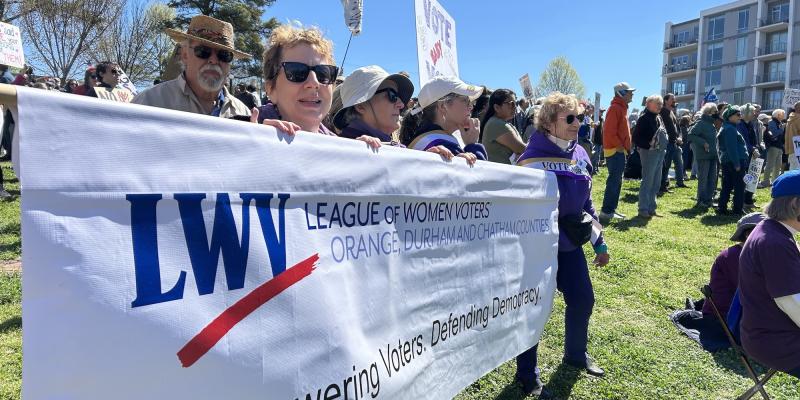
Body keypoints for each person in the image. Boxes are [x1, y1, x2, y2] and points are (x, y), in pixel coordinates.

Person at [515, 92, 610, 396]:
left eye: (580, 118)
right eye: (569, 118)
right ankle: (527, 372)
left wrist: (599, 242)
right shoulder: (531, 157)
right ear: (548, 122)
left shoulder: (580, 153)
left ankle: (575, 354)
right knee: (534, 309)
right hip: (537, 247)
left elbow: (588, 202)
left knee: (583, 299)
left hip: (570, 245)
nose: (577, 123)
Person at [739, 170, 800, 378]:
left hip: (772, 332)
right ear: (794, 205)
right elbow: (793, 303)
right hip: (776, 341)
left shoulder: (772, 229)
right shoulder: (775, 243)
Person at [132, 15, 251, 118]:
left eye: (224, 54)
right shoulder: (148, 102)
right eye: (204, 51)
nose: (214, 60)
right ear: (184, 55)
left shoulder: (244, 114)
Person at [332, 65, 454, 157]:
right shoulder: (339, 152)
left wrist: (428, 161)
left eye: (399, 97)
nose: (401, 104)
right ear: (361, 105)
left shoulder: (390, 147)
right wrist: (351, 153)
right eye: (392, 96)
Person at [255, 24, 340, 135]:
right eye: (297, 72)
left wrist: (364, 149)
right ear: (271, 89)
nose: (314, 83)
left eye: (323, 73)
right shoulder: (240, 135)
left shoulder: (344, 148)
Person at [399, 76, 486, 165]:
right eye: (465, 101)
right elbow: (481, 176)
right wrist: (472, 144)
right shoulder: (442, 143)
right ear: (443, 106)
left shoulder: (427, 137)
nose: (471, 107)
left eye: (471, 103)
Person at [701, 212, 765, 318]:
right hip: (725, 317)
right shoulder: (733, 256)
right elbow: (754, 292)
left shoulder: (757, 254)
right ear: (748, 234)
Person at [599, 82, 635, 223]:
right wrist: (619, 146)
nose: (632, 94)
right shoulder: (615, 108)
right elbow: (609, 131)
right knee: (614, 181)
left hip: (619, 151)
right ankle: (606, 211)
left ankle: (610, 210)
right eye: (629, 92)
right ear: (621, 93)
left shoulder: (621, 108)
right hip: (615, 151)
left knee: (616, 181)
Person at [633, 95, 668, 218]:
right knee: (648, 181)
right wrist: (648, 146)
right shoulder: (643, 118)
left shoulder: (658, 117)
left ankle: (652, 208)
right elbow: (636, 138)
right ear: (648, 104)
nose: (660, 105)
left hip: (659, 152)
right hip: (648, 153)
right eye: (657, 103)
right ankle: (643, 209)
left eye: (661, 103)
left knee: (656, 181)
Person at [480, 89, 526, 164]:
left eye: (516, 103)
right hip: (502, 174)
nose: (515, 107)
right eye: (511, 104)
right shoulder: (496, 124)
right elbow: (522, 149)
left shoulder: (497, 122)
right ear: (497, 107)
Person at [717, 106, 749, 215]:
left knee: (727, 185)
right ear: (730, 117)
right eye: (738, 115)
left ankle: (722, 208)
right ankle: (737, 209)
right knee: (739, 186)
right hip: (735, 161)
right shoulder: (730, 129)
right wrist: (736, 163)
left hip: (729, 161)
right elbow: (732, 147)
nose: (740, 117)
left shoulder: (728, 127)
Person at [688, 103, 720, 209]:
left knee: (712, 178)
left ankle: (708, 199)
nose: (717, 113)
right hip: (703, 155)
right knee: (703, 178)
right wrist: (703, 142)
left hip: (713, 155)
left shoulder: (711, 124)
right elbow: (691, 135)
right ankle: (701, 200)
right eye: (715, 111)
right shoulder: (701, 123)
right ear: (708, 112)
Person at [659, 93, 685, 193]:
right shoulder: (662, 112)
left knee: (668, 165)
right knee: (665, 165)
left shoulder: (671, 112)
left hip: (673, 142)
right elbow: (665, 129)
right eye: (672, 99)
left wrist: (679, 137)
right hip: (667, 143)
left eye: (674, 99)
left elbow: (676, 127)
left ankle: (664, 185)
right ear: (666, 100)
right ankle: (662, 185)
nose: (674, 101)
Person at [737, 104, 761, 209]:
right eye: (752, 112)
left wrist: (756, 148)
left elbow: (754, 139)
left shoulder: (751, 124)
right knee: (745, 178)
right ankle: (741, 200)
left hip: (753, 154)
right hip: (744, 154)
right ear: (746, 113)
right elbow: (743, 141)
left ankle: (748, 200)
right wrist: (753, 149)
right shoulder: (739, 125)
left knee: (753, 176)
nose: (754, 114)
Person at [762, 109, 786, 187]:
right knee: (770, 164)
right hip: (773, 146)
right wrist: (782, 128)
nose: (784, 116)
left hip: (779, 146)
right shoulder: (771, 122)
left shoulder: (779, 123)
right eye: (782, 114)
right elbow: (774, 133)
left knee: (778, 165)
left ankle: (775, 181)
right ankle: (766, 181)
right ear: (778, 115)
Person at [785, 101, 800, 171]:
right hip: (798, 145)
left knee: (792, 169)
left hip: (791, 147)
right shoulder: (798, 118)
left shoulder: (789, 119)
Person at [591, 108, 605, 173]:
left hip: (600, 140)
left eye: (602, 112)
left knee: (598, 155)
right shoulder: (594, 118)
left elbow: (602, 130)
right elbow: (593, 129)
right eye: (601, 112)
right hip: (595, 140)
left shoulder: (602, 119)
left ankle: (596, 168)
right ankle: (593, 169)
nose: (602, 113)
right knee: (594, 155)